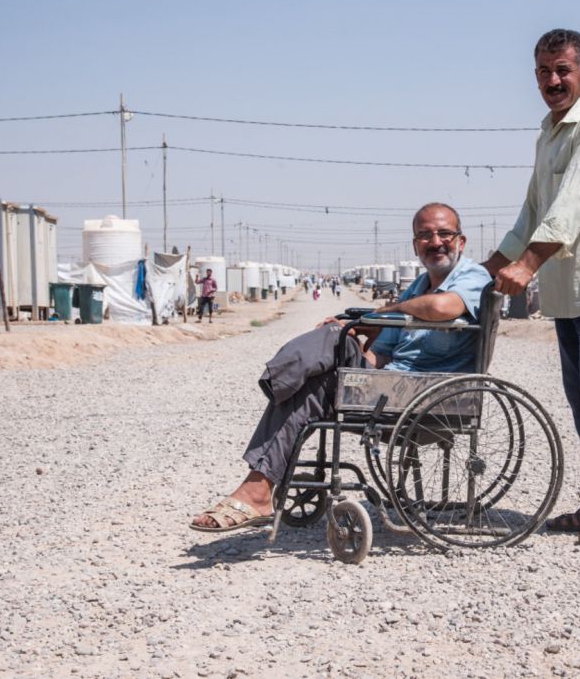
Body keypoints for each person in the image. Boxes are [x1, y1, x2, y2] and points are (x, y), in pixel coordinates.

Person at [191, 203, 491, 532]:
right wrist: (352, 343)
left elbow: (442, 306)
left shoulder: (473, 277)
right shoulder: (418, 286)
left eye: (444, 233)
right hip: (395, 385)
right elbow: (379, 355)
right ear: (415, 245)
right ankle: (259, 482)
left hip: (432, 393)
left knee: (323, 361)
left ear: (461, 241)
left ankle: (268, 437)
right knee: (334, 339)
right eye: (425, 235)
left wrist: (386, 311)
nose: (435, 242)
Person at [484, 29, 580, 545]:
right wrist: (489, 269)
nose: (553, 81)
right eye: (544, 72)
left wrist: (528, 265)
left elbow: (572, 204)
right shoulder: (549, 133)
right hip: (567, 290)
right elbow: (533, 211)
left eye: (563, 71)